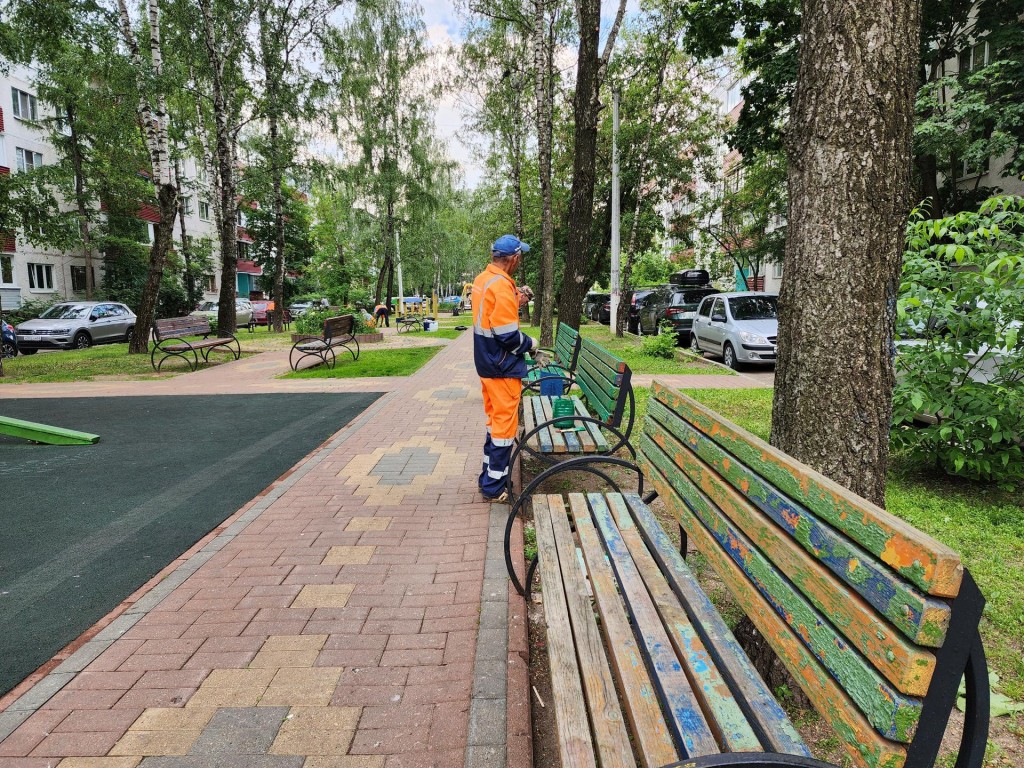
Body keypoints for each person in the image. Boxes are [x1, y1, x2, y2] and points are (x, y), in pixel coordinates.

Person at [472, 234, 537, 502]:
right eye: (520, 258)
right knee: (503, 430)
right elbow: (508, 336)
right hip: (502, 367)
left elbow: (490, 315)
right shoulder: (500, 287)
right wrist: (532, 343)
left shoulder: (483, 280)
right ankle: (494, 487)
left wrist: (515, 298)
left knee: (493, 423)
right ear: (513, 259)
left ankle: (488, 476)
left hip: (487, 364)